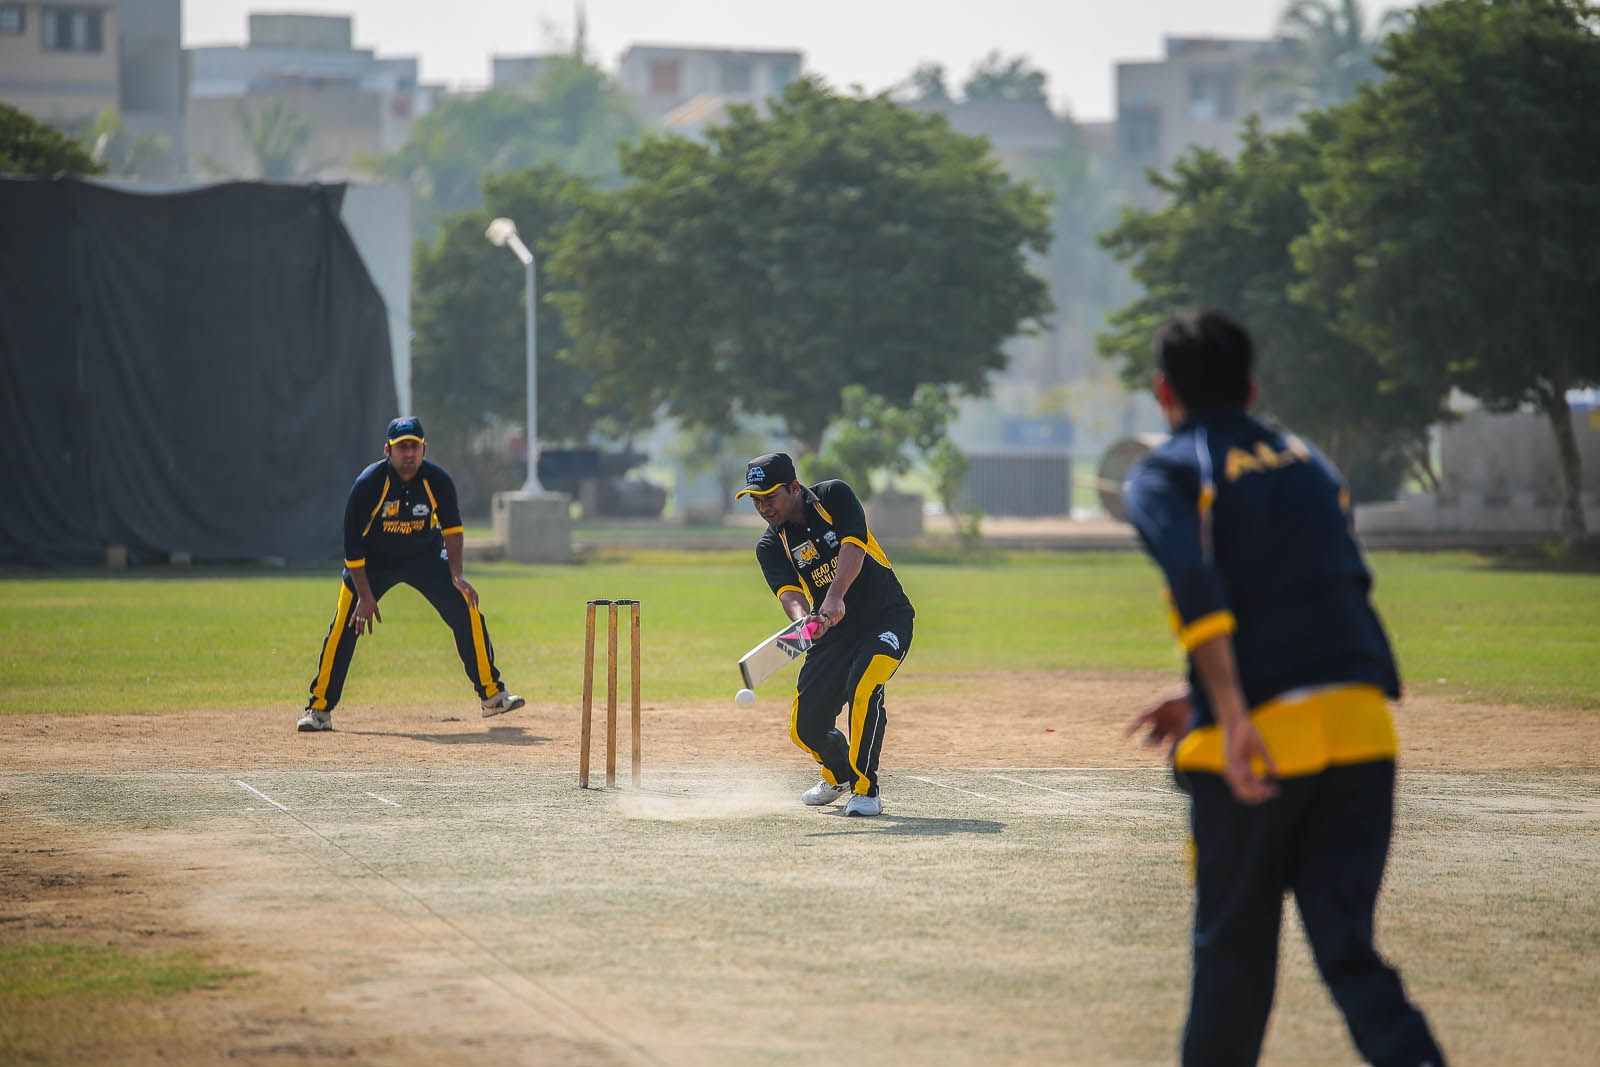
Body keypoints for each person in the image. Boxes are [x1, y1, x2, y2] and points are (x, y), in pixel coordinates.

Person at [1121, 309, 1446, 1066]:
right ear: (1252, 388)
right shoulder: (1309, 462)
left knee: (1231, 974)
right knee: (1350, 955)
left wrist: (1230, 714)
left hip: (1259, 746)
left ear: (1164, 391)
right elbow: (1313, 590)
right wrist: (1202, 698)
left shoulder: (1170, 470)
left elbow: (1199, 589)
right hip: (1363, 733)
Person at [297, 416, 524, 732]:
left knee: (466, 606)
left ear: (424, 449)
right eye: (401, 447)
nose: (408, 453)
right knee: (344, 626)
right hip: (373, 560)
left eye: (414, 447)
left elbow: (453, 531)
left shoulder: (437, 480)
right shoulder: (369, 484)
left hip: (424, 556)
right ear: (387, 450)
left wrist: (456, 575)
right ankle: (319, 709)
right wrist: (365, 596)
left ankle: (492, 696)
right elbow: (352, 546)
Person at [738, 452, 915, 817]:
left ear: (794, 487)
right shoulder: (770, 546)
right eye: (755, 500)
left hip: (886, 619)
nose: (763, 507)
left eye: (770, 497)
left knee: (863, 686)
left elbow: (854, 547)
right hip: (833, 633)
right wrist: (805, 620)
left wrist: (835, 597)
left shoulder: (834, 496)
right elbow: (790, 595)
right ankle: (838, 773)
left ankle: (866, 790)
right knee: (804, 728)